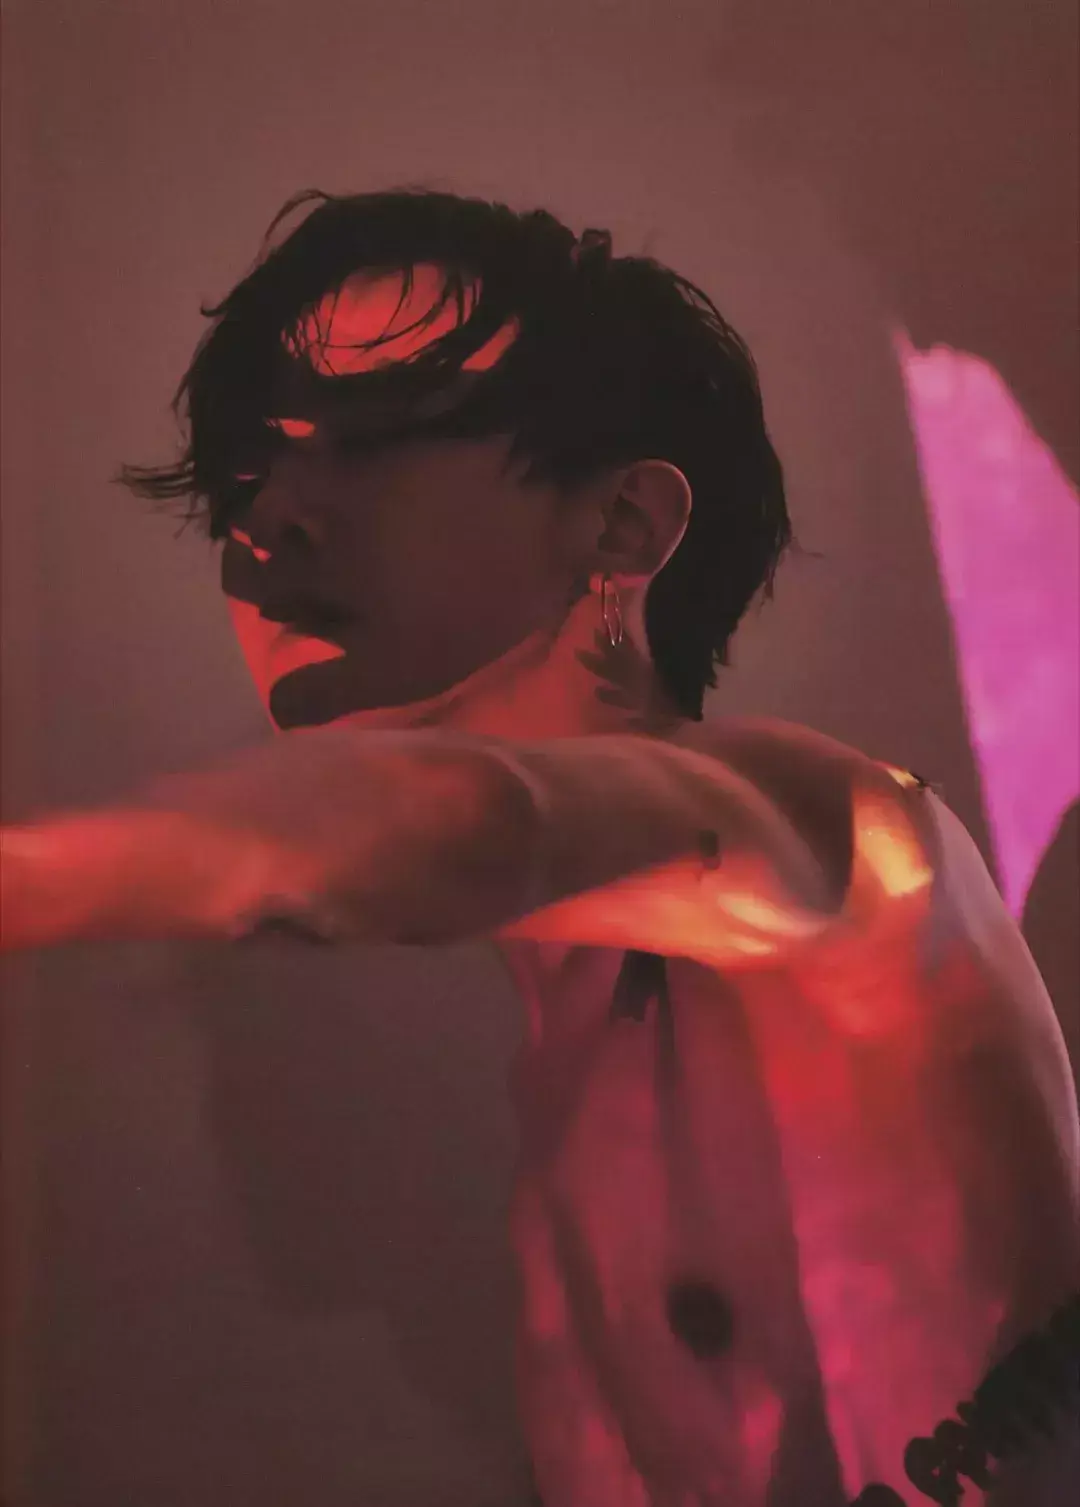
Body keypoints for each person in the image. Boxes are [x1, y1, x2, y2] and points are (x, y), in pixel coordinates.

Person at [2, 187, 1077, 1506]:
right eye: (248, 468)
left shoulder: (839, 838)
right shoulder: (563, 1106)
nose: (264, 518)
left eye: (373, 440)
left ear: (624, 524)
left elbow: (482, 822)